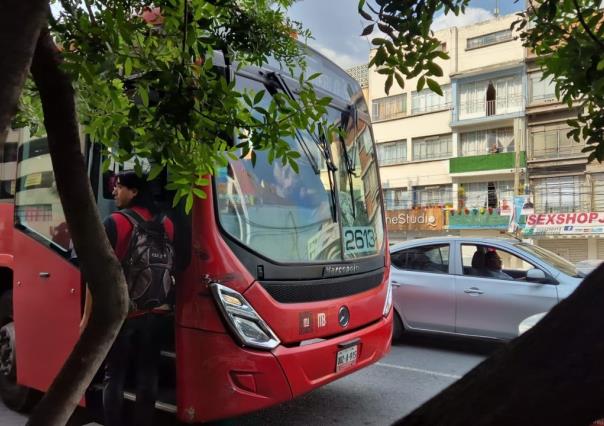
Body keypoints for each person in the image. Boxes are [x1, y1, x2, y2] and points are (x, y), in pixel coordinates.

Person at [101, 170, 175, 426]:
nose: (113, 191)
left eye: (118, 186)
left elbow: (98, 274)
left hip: (125, 314)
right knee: (148, 375)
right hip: (158, 312)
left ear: (134, 192)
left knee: (115, 375)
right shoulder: (167, 224)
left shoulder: (115, 222)